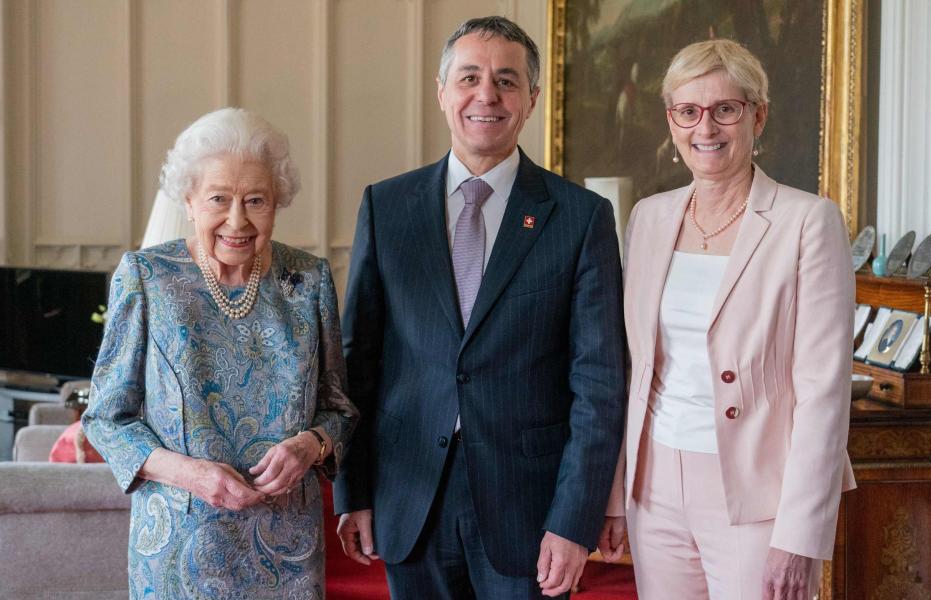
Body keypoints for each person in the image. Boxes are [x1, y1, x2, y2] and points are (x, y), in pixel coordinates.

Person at [333, 16, 626, 600]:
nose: (486, 95)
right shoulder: (386, 207)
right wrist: (354, 491)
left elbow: (599, 382)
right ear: (442, 92)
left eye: (507, 81)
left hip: (531, 510)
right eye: (469, 77)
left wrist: (574, 520)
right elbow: (355, 365)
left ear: (532, 99)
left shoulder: (580, 218)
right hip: (410, 498)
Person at [597, 39, 856, 600]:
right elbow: (632, 370)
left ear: (756, 115)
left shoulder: (807, 222)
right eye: (688, 111)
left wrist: (802, 533)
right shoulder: (648, 218)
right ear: (671, 122)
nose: (705, 127)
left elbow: (824, 390)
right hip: (654, 486)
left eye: (725, 109)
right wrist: (617, 493)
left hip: (758, 489)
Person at [83, 107, 358, 599]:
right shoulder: (147, 278)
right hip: (178, 544)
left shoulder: (308, 281)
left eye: (256, 199)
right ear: (189, 201)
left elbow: (339, 407)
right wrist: (190, 474)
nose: (238, 220)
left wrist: (312, 444)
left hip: (286, 546)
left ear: (278, 201)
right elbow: (105, 419)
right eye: (218, 199)